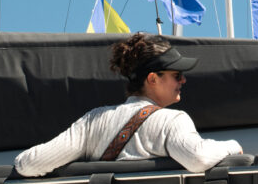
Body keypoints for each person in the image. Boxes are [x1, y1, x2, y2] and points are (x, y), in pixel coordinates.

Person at [15, 33, 243, 176]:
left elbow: (29, 164)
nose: (183, 80)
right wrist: (232, 145)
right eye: (177, 74)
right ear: (153, 79)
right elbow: (198, 158)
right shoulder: (173, 120)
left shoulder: (93, 121)